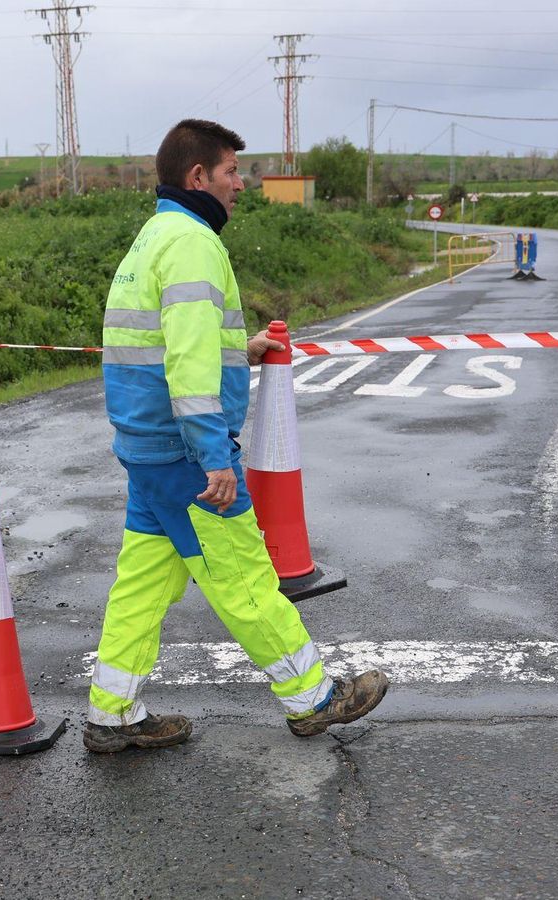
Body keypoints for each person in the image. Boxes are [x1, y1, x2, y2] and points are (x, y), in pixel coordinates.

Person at [84, 118, 389, 753]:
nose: (240, 184)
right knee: (243, 576)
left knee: (142, 583)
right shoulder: (194, 244)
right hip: (185, 452)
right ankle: (313, 698)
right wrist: (213, 455)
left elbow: (177, 344)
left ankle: (111, 714)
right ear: (198, 177)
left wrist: (238, 350)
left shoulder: (153, 238)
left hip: (148, 448)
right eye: (231, 172)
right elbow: (188, 366)